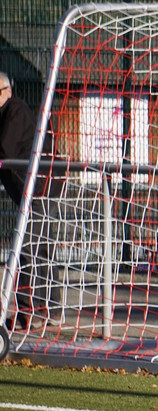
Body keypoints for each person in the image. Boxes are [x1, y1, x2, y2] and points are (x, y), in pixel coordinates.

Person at [0, 71, 60, 331]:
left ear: (7, 91)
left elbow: (6, 149)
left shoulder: (15, 110)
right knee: (40, 246)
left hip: (41, 187)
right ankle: (49, 309)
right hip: (33, 188)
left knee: (29, 247)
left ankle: (30, 311)